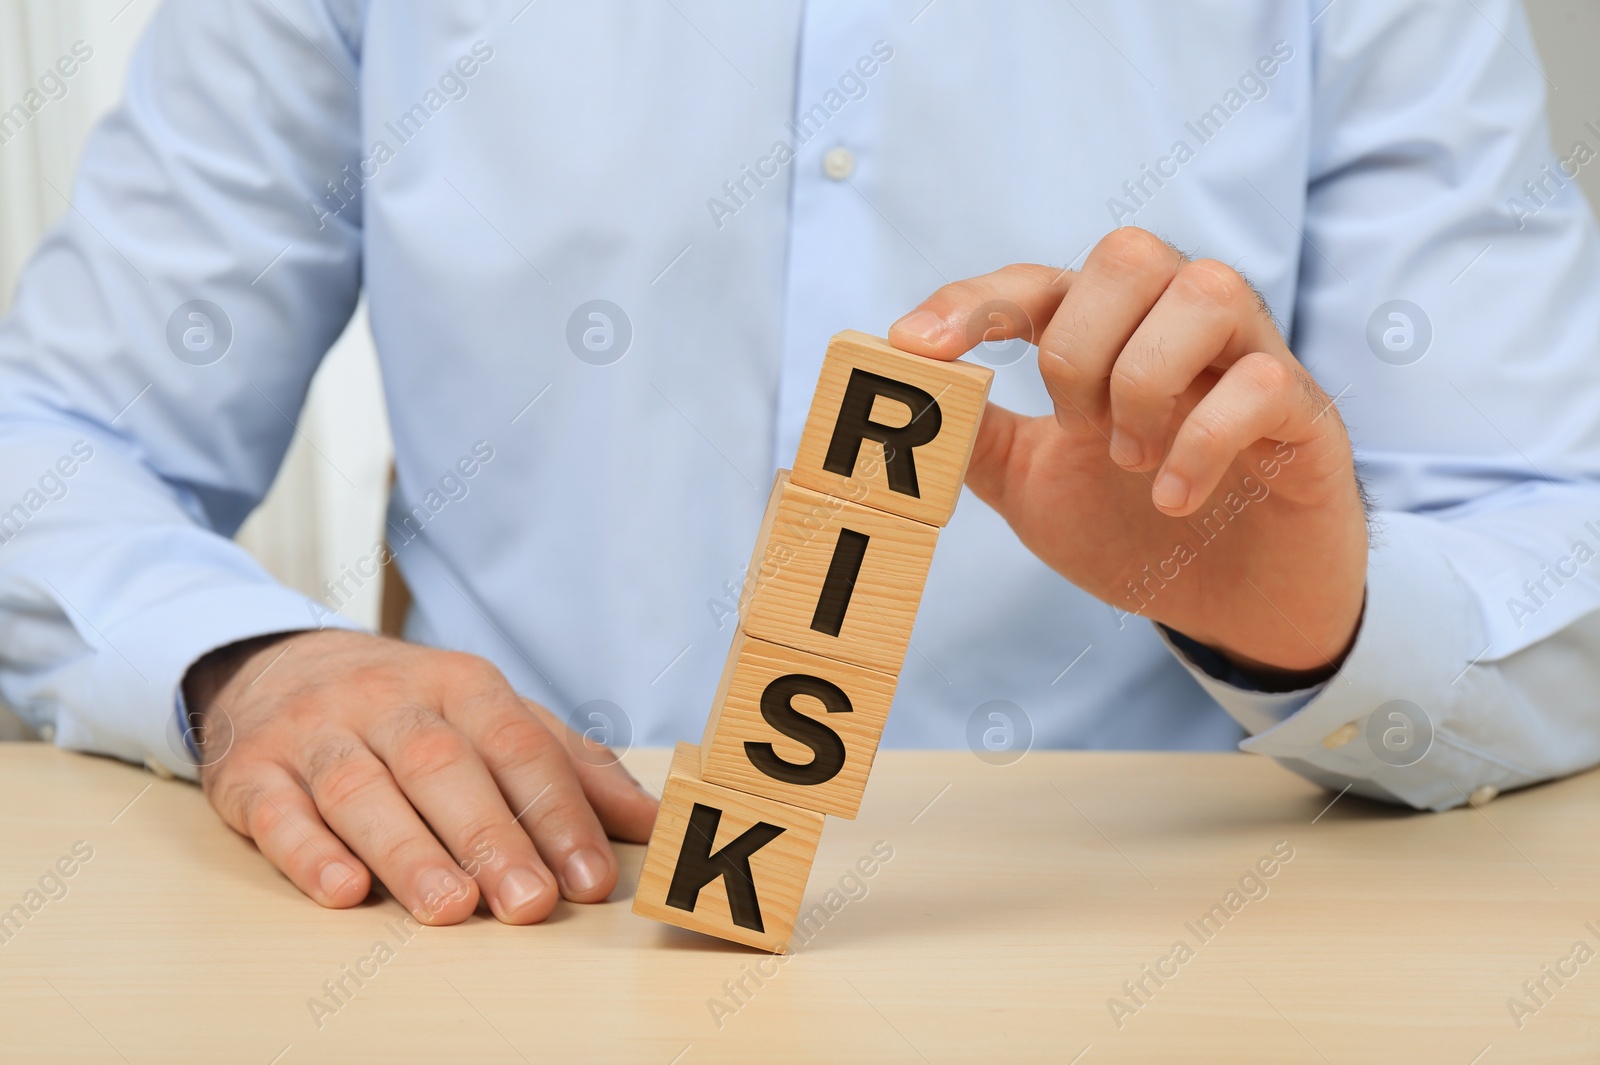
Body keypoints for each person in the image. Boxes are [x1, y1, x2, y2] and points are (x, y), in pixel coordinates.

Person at [2, 0, 1598, 927]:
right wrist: (247, 663)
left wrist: (1317, 622)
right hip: (506, 941)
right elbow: (61, 438)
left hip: (1156, 954)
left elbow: (1556, 532)